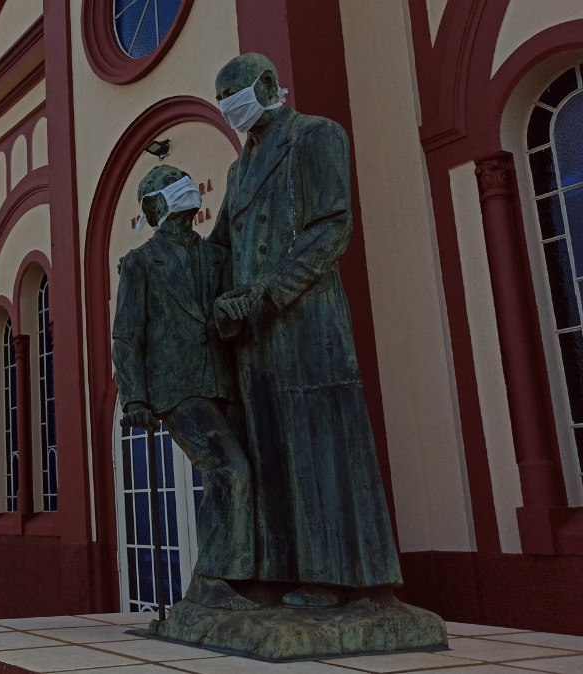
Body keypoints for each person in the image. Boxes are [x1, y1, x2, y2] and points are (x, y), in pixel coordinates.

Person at [210, 53, 402, 608]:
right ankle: (287, 571)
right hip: (255, 332)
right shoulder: (238, 169)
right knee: (271, 446)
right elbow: (222, 246)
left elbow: (332, 226)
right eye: (221, 101)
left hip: (306, 317)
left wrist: (271, 289)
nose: (230, 109)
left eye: (235, 95)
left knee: (325, 440)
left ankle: (353, 581)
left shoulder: (317, 136)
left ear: (268, 85)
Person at [112, 164, 256, 611]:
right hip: (176, 388)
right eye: (175, 185)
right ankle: (213, 581)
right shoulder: (140, 264)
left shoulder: (217, 258)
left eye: (188, 181)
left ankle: (245, 577)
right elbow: (126, 335)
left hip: (223, 381)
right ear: (156, 206)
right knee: (230, 472)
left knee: (242, 475)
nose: (188, 188)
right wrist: (134, 396)